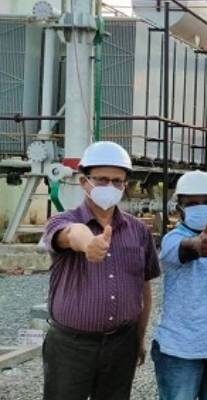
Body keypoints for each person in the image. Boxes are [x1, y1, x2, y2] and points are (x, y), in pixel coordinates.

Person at [39, 141, 160, 400]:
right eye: (102, 179)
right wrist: (88, 245)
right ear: (84, 182)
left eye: (118, 181)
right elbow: (71, 235)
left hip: (121, 345)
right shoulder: (62, 221)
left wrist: (138, 338)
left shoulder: (139, 231)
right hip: (71, 347)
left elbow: (144, 289)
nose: (110, 187)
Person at [151, 170, 207, 399]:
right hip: (180, 352)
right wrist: (197, 245)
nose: (200, 207)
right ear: (179, 207)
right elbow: (186, 248)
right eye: (192, 203)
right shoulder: (172, 239)